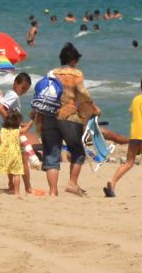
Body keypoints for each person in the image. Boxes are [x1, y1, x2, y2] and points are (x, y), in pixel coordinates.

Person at [37, 43, 98, 197]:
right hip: (69, 116)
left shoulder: (51, 73)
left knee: (51, 153)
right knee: (77, 151)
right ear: (73, 60)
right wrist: (93, 106)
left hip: (49, 115)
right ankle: (72, 183)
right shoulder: (76, 74)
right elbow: (83, 93)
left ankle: (52, 192)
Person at [105, 75, 142, 198]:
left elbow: (138, 114)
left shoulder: (136, 99)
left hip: (134, 135)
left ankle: (112, 182)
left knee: (129, 162)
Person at [0, 104, 34, 196]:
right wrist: (32, 120)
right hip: (14, 155)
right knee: (16, 173)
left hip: (2, 154)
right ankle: (17, 193)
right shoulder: (17, 131)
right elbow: (27, 128)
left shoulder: (3, 131)